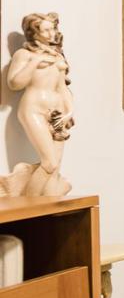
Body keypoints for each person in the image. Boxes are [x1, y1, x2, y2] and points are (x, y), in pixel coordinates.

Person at [6, 12, 74, 196]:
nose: (52, 33)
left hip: (58, 113)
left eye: (53, 29)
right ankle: (27, 203)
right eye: (46, 30)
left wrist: (69, 112)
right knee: (49, 163)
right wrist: (34, 61)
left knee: (55, 167)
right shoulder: (24, 54)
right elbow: (14, 83)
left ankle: (49, 201)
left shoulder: (57, 56)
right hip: (33, 109)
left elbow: (62, 88)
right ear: (34, 33)